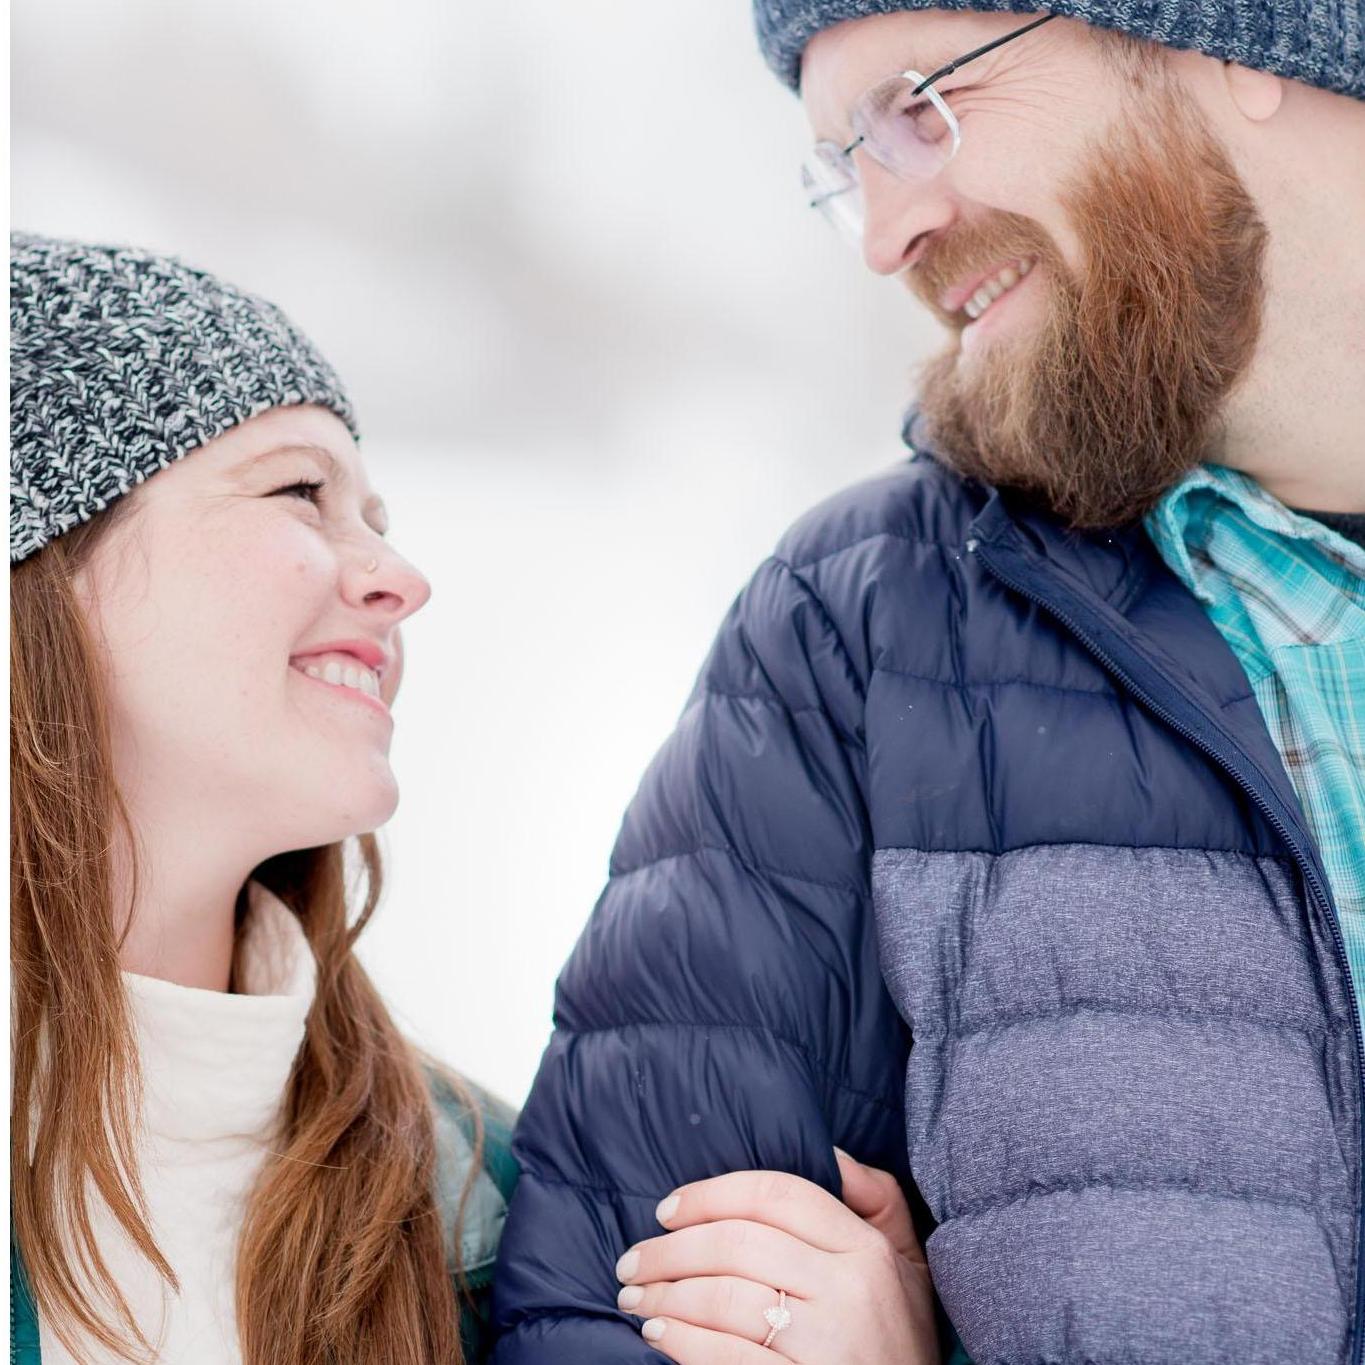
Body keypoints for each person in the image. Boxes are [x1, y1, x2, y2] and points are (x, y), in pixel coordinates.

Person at [491, 2, 1365, 1362]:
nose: (887, 236)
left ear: (1237, 44)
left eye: (918, 107)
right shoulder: (861, 632)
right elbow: (616, 1314)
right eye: (849, 165)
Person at [8, 233, 519, 1365]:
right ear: (39, 557)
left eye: (377, 522)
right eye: (302, 491)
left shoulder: (488, 1199)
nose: (404, 580)